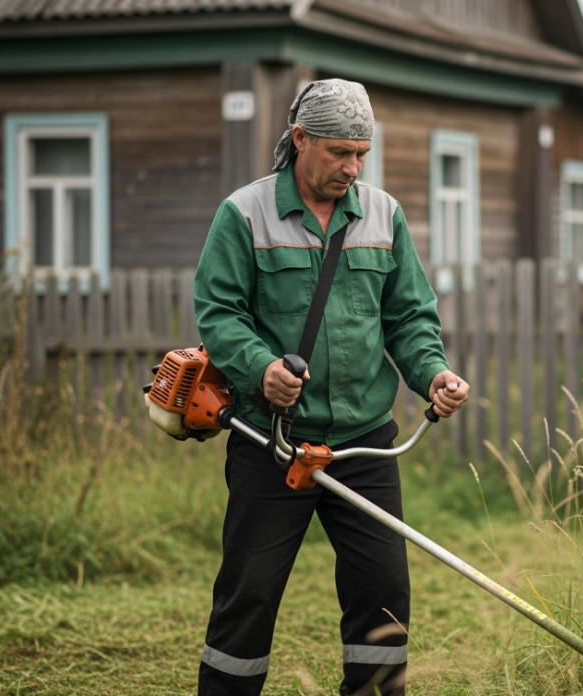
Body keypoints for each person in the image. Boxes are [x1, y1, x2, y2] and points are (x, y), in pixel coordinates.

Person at [192, 78, 469, 696]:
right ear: (300, 139)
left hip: (365, 445)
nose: (352, 167)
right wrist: (261, 367)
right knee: (249, 593)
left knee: (383, 595)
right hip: (272, 443)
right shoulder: (244, 213)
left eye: (362, 154)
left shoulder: (383, 214)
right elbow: (220, 313)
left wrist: (434, 373)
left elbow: (408, 317)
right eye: (340, 152)